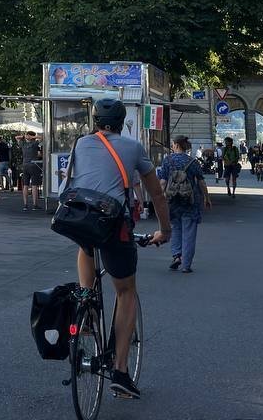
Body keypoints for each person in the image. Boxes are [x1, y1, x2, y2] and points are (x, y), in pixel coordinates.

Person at [66, 99, 169, 399]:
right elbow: (157, 194)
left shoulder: (81, 144)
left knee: (86, 244)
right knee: (125, 292)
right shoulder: (133, 147)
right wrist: (166, 229)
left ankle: (86, 304)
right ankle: (121, 372)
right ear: (123, 121)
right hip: (112, 222)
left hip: (78, 217)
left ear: (95, 120)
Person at [156, 135, 211, 273]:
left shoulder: (168, 160)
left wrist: (159, 197)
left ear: (175, 145)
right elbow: (201, 181)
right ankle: (186, 265)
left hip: (173, 200)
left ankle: (176, 256)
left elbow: (162, 181)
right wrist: (207, 198)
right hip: (190, 201)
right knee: (189, 232)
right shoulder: (192, 161)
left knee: (175, 228)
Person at [21, 130, 43, 211]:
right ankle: (35, 204)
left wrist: (25, 137)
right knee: (34, 186)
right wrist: (32, 137)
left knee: (25, 185)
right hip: (34, 165)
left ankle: (25, 205)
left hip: (25, 165)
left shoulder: (23, 143)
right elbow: (41, 138)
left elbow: (16, 137)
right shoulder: (34, 144)